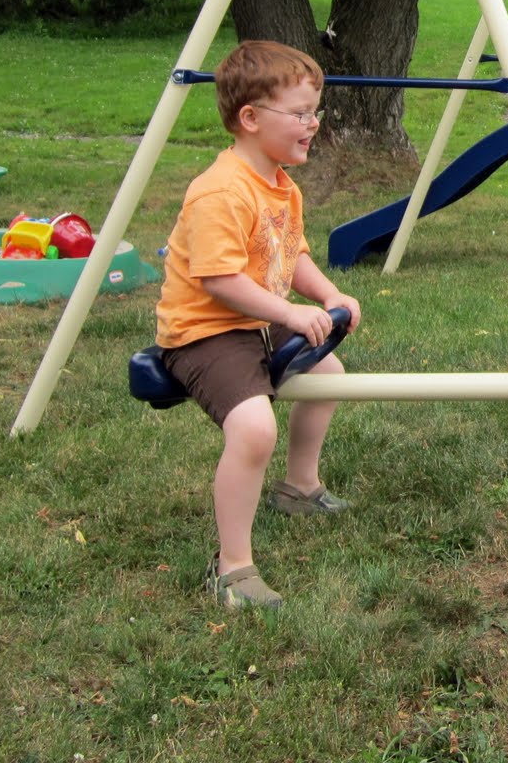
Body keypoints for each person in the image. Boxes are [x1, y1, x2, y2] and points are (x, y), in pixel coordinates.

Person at [155, 39, 362, 609]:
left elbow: (290, 254)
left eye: (314, 112)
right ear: (250, 118)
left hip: (253, 322)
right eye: (299, 113)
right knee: (253, 429)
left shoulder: (280, 187)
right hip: (206, 332)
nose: (312, 124)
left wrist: (326, 293)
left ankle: (299, 486)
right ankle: (233, 569)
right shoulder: (221, 191)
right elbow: (219, 281)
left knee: (330, 374)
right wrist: (291, 312)